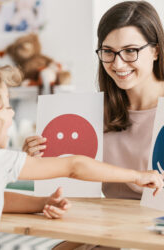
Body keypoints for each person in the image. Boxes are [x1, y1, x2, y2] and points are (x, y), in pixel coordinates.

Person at [0, 66, 162, 250]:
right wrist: (138, 175)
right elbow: (74, 165)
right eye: (5, 107)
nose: (13, 112)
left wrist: (41, 203)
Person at [22, 1, 164, 249]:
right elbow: (72, 182)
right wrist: (34, 160)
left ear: (155, 51)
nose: (118, 64)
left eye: (130, 50)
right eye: (108, 51)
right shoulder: (92, 114)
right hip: (108, 230)